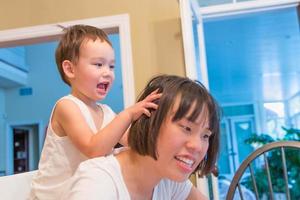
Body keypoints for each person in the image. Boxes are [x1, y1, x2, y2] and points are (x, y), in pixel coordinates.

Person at [29, 25, 160, 199]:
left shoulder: (106, 112)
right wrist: (127, 115)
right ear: (70, 69)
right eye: (98, 64)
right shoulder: (67, 106)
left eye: (111, 66)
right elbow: (93, 149)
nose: (108, 73)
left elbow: (134, 142)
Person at [62, 74, 220, 200]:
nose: (198, 146)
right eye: (186, 128)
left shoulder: (168, 178)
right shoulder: (97, 183)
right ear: (150, 121)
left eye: (205, 136)